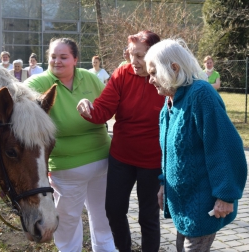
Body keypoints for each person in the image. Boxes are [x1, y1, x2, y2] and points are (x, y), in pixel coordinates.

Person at [145, 38, 248, 252]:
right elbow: (170, 152)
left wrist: (226, 195)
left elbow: (225, 147)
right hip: (184, 202)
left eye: (154, 73)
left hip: (203, 203)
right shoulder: (170, 101)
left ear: (174, 68)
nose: (150, 80)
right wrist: (164, 184)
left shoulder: (201, 95)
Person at [24, 37, 115, 252]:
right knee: (67, 220)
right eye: (53, 57)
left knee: (103, 216)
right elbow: (22, 90)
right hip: (66, 170)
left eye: (63, 57)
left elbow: (108, 104)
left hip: (102, 163)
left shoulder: (89, 78)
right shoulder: (42, 82)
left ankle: (106, 249)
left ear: (75, 59)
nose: (57, 61)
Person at [77, 30, 164, 252]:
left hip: (152, 160)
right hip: (122, 157)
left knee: (148, 217)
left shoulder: (166, 79)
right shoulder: (122, 73)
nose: (134, 61)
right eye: (130, 55)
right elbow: (103, 110)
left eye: (140, 56)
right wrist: (89, 107)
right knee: (114, 210)